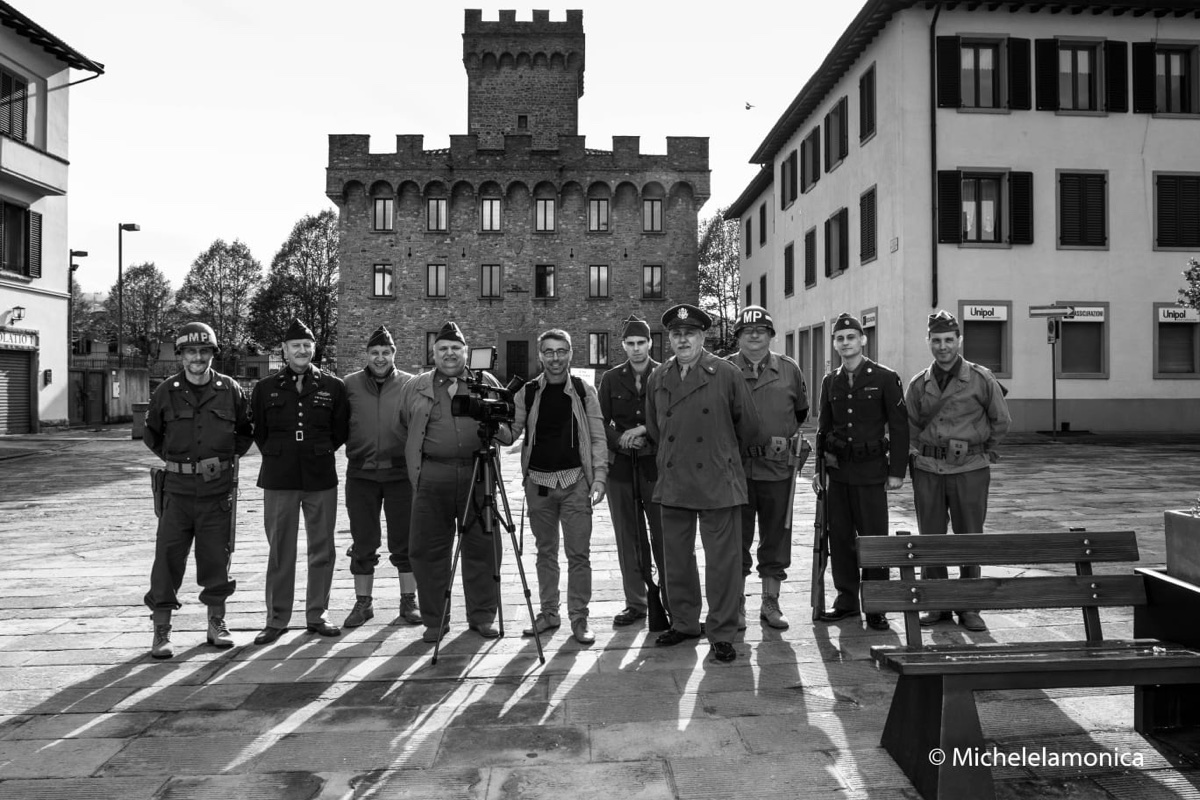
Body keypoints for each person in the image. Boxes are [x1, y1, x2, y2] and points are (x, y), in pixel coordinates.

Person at [646, 303, 761, 664]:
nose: (683, 340)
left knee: (722, 563)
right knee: (676, 559)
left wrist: (721, 454)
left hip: (717, 479)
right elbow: (654, 427)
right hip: (675, 479)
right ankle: (683, 622)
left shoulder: (726, 373)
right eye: (677, 335)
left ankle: (723, 632)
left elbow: (750, 427)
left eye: (690, 334)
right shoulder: (658, 377)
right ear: (671, 340)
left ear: (702, 337)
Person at [142, 322, 253, 658]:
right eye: (191, 351)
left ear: (212, 354)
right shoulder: (166, 391)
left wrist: (218, 462)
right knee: (167, 559)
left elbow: (245, 432)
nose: (197, 357)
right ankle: (161, 629)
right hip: (176, 491)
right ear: (181, 355)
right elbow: (151, 434)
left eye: (204, 351)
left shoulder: (230, 389)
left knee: (216, 558)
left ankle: (216, 622)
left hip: (216, 491)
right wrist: (180, 463)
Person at [398, 321, 512, 643]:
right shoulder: (416, 386)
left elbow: (506, 425)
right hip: (432, 476)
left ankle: (482, 616)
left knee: (483, 547)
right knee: (428, 550)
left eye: (456, 349)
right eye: (443, 349)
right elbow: (403, 426)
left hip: (479, 474)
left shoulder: (485, 380)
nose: (450, 354)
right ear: (433, 353)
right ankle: (435, 621)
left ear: (466, 351)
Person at [905, 310, 1011, 632]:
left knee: (969, 538)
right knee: (931, 539)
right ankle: (937, 604)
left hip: (969, 470)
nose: (943, 347)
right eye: (936, 340)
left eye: (949, 340)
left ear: (959, 341)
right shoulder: (918, 384)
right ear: (928, 342)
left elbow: (1002, 421)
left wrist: (979, 449)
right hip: (928, 469)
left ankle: (969, 607)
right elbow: (908, 426)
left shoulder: (981, 379)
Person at [251, 318, 350, 644]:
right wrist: (283, 453)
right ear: (284, 350)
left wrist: (315, 450)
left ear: (313, 348)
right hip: (280, 477)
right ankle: (276, 618)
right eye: (296, 346)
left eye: (307, 345)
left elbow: (339, 431)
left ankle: (317, 612)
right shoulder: (265, 388)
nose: (302, 350)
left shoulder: (333, 386)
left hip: (320, 474)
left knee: (322, 548)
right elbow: (261, 433)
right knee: (281, 550)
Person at [510, 329, 608, 645]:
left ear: (570, 353)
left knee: (579, 554)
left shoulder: (582, 390)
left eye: (561, 351)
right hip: (538, 485)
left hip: (575, 483)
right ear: (540, 355)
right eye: (549, 352)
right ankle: (548, 613)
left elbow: (596, 436)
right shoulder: (526, 392)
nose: (555, 357)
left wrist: (600, 477)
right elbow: (511, 432)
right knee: (545, 552)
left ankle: (579, 618)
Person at [813, 313, 909, 631]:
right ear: (835, 344)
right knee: (840, 539)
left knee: (873, 540)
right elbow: (823, 430)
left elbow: (898, 427)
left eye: (851, 337)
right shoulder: (831, 382)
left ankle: (877, 604)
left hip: (871, 472)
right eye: (839, 338)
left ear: (862, 340)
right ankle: (846, 602)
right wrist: (818, 472)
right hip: (838, 474)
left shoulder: (885, 377)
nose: (845, 343)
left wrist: (897, 471)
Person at [725, 305, 808, 630]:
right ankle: (738, 603)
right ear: (739, 337)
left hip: (777, 471)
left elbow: (800, 412)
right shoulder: (725, 368)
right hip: (738, 471)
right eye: (747, 331)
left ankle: (770, 602)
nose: (755, 335)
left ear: (771, 335)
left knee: (777, 538)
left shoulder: (789, 370)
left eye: (761, 330)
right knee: (736, 540)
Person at [342, 325, 420, 629]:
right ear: (367, 354)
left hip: (400, 474)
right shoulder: (348, 385)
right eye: (374, 352)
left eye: (385, 352)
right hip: (361, 473)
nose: (380, 357)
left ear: (394, 354)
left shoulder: (410, 384)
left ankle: (408, 601)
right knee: (363, 541)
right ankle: (363, 603)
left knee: (405, 540)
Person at [597, 315, 668, 627]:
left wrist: (642, 431)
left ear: (650, 343)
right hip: (623, 466)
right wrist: (623, 441)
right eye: (630, 344)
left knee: (664, 534)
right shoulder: (612, 378)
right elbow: (599, 422)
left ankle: (670, 599)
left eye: (641, 343)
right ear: (623, 346)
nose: (636, 349)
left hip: (657, 464)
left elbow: (672, 416)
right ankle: (636, 602)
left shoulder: (666, 373)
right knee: (628, 535)